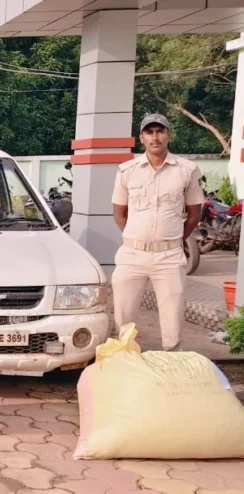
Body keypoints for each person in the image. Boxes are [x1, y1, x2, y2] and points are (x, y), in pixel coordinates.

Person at [111, 113, 204, 351]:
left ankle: (171, 377)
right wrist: (137, 237)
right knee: (124, 324)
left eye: (160, 131)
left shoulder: (187, 170)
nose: (155, 137)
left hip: (169, 257)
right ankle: (126, 371)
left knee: (173, 325)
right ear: (142, 138)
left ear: (169, 135)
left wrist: (174, 239)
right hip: (132, 255)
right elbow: (119, 213)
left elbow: (194, 214)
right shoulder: (127, 170)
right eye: (149, 132)